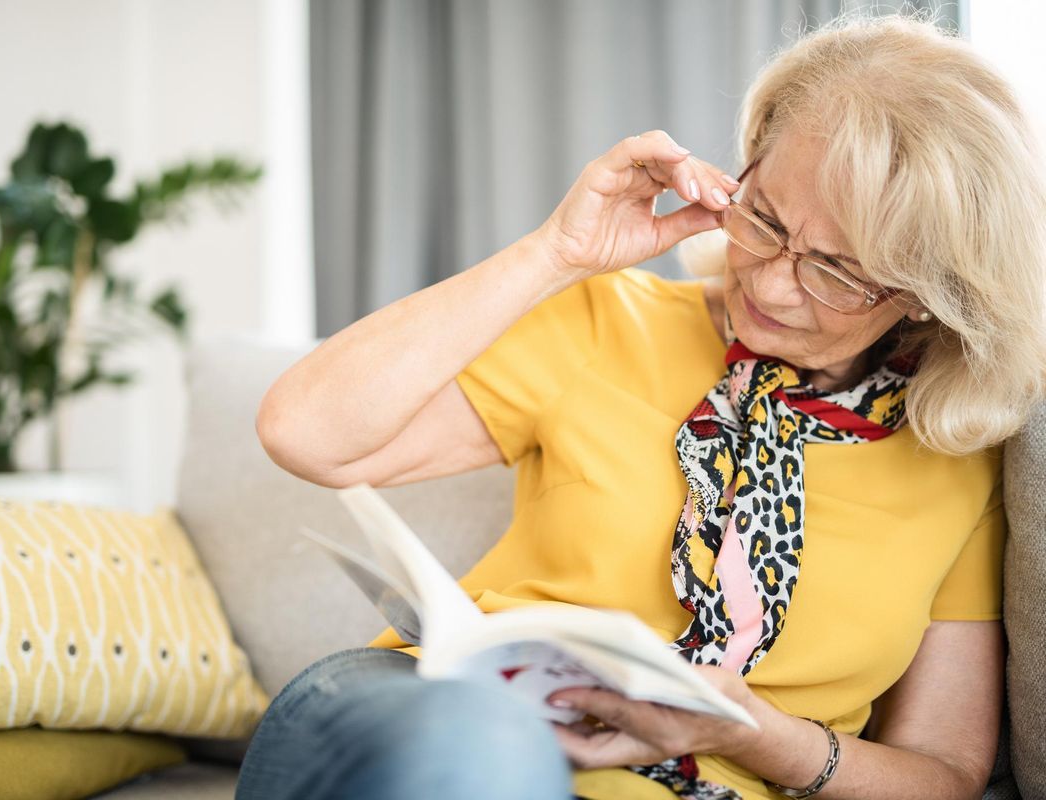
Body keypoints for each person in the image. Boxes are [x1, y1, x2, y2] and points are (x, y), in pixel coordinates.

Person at [238, 11, 1046, 800]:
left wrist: (755, 737)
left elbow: (942, 771)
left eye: (835, 271)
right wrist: (556, 253)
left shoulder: (957, 451)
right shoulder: (609, 320)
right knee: (484, 746)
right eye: (761, 218)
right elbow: (306, 434)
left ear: (926, 297)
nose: (767, 283)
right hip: (428, 714)